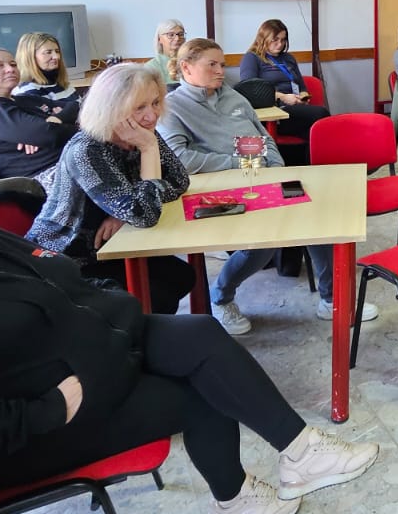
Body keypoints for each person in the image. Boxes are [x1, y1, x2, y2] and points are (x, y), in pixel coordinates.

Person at [0, 119, 378, 514]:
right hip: (33, 426)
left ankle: (300, 452)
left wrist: (112, 321)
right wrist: (45, 410)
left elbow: (60, 285)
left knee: (201, 332)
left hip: (96, 357)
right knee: (201, 392)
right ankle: (232, 502)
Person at [158, 38, 377, 332]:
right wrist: (240, 163)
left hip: (259, 179)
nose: (221, 71)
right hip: (214, 192)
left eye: (222, 64)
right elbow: (181, 160)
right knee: (261, 244)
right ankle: (220, 297)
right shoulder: (172, 108)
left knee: (319, 219)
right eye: (212, 65)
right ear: (186, 67)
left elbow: (264, 138)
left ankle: (332, 300)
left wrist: (275, 169)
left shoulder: (234, 98)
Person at [27, 64, 197, 315]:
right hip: (66, 258)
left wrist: (122, 212)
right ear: (111, 108)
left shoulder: (141, 133)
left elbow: (179, 181)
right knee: (156, 295)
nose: (152, 116)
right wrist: (149, 152)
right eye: (139, 107)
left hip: (111, 245)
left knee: (181, 276)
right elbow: (144, 215)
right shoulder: (87, 149)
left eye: (155, 103)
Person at [0, 48, 75, 183]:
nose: (10, 69)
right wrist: (75, 127)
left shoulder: (25, 99)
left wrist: (56, 119)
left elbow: (76, 106)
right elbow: (49, 134)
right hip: (43, 179)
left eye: (13, 64)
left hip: (69, 161)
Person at [236, 19, 329, 147]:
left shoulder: (288, 58)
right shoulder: (252, 58)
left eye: (283, 40)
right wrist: (283, 97)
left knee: (315, 134)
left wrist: (303, 96)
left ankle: (311, 157)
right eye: (275, 40)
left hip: (294, 108)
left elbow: (301, 86)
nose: (280, 44)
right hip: (274, 110)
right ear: (264, 38)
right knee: (321, 114)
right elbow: (250, 91)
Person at [12, 31, 81, 124]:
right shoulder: (27, 91)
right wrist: (69, 114)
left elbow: (83, 110)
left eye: (57, 51)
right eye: (48, 52)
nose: (56, 57)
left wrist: (66, 114)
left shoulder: (61, 83)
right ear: (30, 57)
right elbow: (49, 127)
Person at [150, 19, 186, 84]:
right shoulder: (151, 67)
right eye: (171, 35)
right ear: (159, 39)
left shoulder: (192, 61)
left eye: (181, 34)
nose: (177, 38)